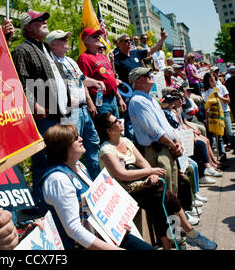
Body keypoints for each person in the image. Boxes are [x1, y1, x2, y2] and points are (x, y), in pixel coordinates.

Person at [96, 112, 217, 250]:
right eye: (115, 121)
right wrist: (150, 172)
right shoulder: (106, 150)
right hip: (123, 191)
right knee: (162, 197)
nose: (119, 122)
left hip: (140, 185)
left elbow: (142, 161)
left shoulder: (126, 141)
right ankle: (190, 235)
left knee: (159, 201)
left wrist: (151, 174)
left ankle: (177, 242)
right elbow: (121, 174)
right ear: (109, 130)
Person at [39, 124, 155, 250]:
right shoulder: (58, 179)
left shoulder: (78, 166)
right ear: (63, 146)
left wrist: (116, 224)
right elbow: (73, 229)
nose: (81, 139)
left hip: (106, 236)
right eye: (75, 138)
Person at [11, 10, 71, 207]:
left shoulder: (46, 48)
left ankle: (60, 204)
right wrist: (33, 104)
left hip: (58, 113)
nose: (45, 22)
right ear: (28, 27)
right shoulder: (23, 50)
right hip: (42, 117)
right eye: (39, 20)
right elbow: (21, 80)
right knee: (43, 164)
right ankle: (43, 209)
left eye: (45, 19)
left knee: (59, 161)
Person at [46, 30, 103, 179]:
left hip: (83, 109)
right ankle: (76, 182)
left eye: (66, 37)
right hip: (69, 112)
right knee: (71, 149)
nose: (66, 40)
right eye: (62, 39)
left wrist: (95, 82)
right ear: (52, 44)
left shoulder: (70, 60)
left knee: (92, 144)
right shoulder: (50, 63)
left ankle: (96, 181)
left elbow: (82, 80)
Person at [128, 67, 183, 195]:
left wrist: (177, 142)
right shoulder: (137, 101)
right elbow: (155, 131)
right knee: (165, 188)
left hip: (167, 147)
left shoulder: (150, 99)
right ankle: (170, 214)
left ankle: (175, 212)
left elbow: (166, 126)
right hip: (157, 150)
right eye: (146, 74)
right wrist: (173, 145)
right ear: (137, 81)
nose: (150, 75)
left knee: (173, 183)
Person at [77, 28, 126, 120]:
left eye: (98, 36)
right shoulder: (84, 58)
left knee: (117, 129)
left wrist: (119, 98)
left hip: (112, 99)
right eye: (94, 36)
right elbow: (83, 83)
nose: (98, 38)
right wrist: (90, 102)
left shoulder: (103, 57)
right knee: (106, 130)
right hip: (100, 101)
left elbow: (110, 78)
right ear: (86, 40)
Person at [202, 72, 232, 163]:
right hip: (214, 115)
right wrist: (207, 120)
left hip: (224, 112)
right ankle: (222, 155)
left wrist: (219, 97)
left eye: (213, 76)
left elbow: (228, 100)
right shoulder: (206, 92)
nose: (212, 78)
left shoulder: (221, 87)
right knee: (219, 136)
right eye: (209, 77)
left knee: (229, 133)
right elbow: (206, 108)